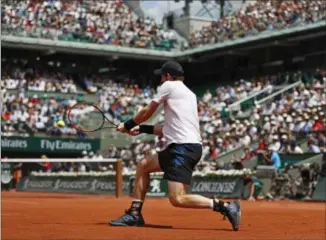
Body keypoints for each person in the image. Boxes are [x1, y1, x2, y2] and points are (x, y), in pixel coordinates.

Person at [109, 61, 241, 231]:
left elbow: (147, 112)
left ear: (169, 76)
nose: (161, 80)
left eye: (162, 76)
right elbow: (167, 129)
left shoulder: (169, 86)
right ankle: (135, 214)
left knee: (177, 199)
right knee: (143, 165)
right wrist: (142, 128)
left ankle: (227, 207)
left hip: (182, 148)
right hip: (184, 147)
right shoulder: (189, 94)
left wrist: (127, 124)